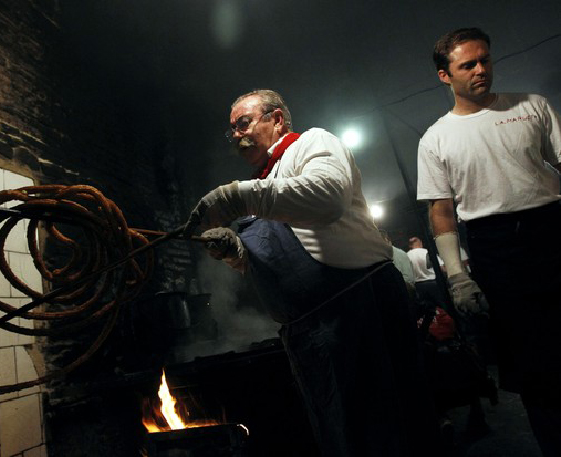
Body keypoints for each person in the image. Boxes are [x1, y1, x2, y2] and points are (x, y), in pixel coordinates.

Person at [185, 89, 440, 456]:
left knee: (388, 429)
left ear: (276, 120)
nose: (237, 135)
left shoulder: (311, 144)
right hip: (310, 331)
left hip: (358, 312)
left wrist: (236, 196)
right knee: (343, 435)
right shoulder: (264, 182)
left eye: (244, 123)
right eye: (232, 131)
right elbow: (277, 255)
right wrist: (235, 252)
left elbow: (328, 197)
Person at [416, 27, 561, 456]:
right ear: (445, 76)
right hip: (496, 249)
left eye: (486, 60)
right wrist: (458, 276)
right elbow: (440, 211)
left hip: (552, 229)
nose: (481, 70)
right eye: (468, 65)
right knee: (535, 369)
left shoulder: (532, 106)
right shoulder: (436, 138)